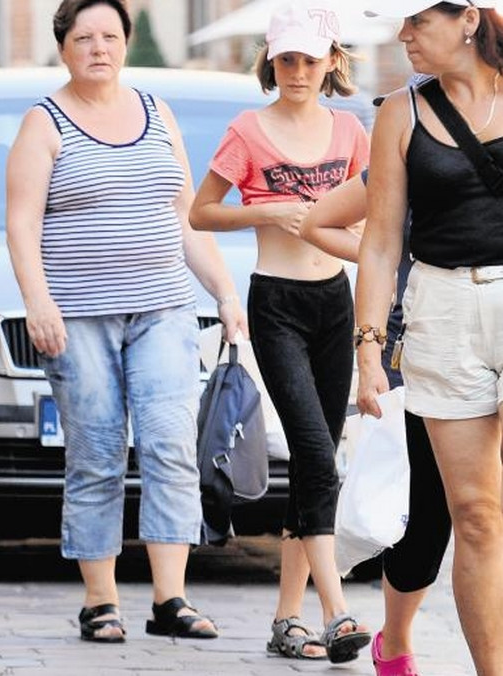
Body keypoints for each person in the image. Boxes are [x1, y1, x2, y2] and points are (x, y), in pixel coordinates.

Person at [6, 0, 247, 644]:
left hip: (165, 307)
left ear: (126, 43)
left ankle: (171, 599)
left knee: (170, 443)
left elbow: (184, 216)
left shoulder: (157, 112)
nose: (99, 48)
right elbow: (23, 223)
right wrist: (38, 300)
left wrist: (224, 290)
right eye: (84, 37)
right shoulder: (43, 122)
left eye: (110, 36)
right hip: (79, 316)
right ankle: (100, 601)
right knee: (97, 451)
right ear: (63, 48)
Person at [189, 0, 371, 663]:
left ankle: (287, 620)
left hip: (336, 302)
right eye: (286, 59)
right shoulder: (248, 129)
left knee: (314, 471)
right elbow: (202, 211)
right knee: (319, 457)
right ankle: (337, 612)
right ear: (271, 61)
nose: (297, 70)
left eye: (309, 59)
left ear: (331, 63)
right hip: (278, 305)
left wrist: (380, 280)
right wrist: (268, 211)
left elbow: (368, 230)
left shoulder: (351, 131)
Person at [356, 2, 503, 673]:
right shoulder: (400, 113)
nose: (402, 35)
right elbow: (381, 244)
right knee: (473, 515)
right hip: (442, 308)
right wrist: (368, 349)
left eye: (415, 20)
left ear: (467, 18)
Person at [302, 161, 453, 676]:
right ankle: (399, 636)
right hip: (419, 342)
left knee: (483, 514)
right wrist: (393, 259)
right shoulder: (417, 137)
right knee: (430, 515)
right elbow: (318, 223)